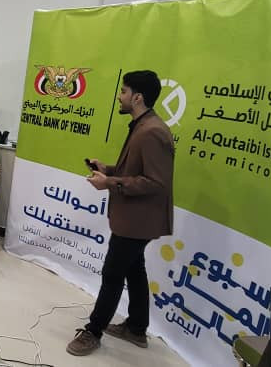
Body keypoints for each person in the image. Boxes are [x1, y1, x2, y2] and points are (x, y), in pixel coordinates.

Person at [66, 70, 175, 356]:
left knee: (113, 273)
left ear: (137, 97)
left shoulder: (153, 132)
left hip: (139, 221)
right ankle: (137, 328)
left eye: (124, 91)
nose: (119, 96)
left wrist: (109, 183)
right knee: (134, 269)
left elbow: (157, 183)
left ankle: (93, 331)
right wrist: (108, 170)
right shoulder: (142, 125)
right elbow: (135, 171)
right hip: (135, 218)